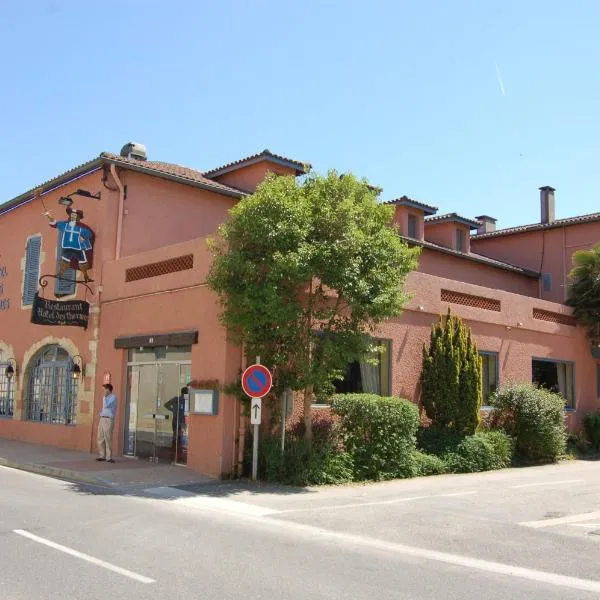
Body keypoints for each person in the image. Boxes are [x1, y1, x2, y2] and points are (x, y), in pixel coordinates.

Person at [44, 206, 94, 283]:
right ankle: (60, 274)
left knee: (83, 263)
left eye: (74, 216)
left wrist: (84, 238)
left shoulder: (80, 228)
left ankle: (86, 276)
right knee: (65, 262)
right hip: (67, 247)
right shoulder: (65, 225)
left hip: (78, 248)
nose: (72, 217)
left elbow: (89, 234)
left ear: (78, 218)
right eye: (71, 215)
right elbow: (55, 223)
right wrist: (49, 216)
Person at [165, 387, 188, 460]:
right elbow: (166, 404)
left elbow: (166, 405)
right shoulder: (178, 399)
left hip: (179, 421)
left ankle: (177, 456)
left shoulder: (184, 400)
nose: (188, 394)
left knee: (179, 438)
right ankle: (175, 456)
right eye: (187, 393)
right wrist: (174, 410)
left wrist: (174, 410)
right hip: (178, 421)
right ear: (184, 393)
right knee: (177, 438)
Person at [96, 383, 118, 463]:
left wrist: (105, 396)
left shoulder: (113, 397)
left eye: (104, 389)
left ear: (108, 389)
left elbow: (107, 405)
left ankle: (109, 457)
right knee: (100, 437)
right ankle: (102, 455)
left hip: (108, 420)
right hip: (102, 418)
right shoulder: (104, 397)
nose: (103, 391)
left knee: (108, 437)